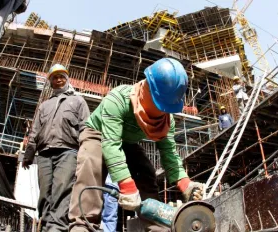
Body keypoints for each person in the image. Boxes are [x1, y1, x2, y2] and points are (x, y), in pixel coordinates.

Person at [68, 58, 204, 232]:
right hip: (98, 132)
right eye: (160, 105)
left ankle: (157, 227)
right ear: (147, 88)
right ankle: (82, 225)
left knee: (146, 173)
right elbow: (110, 144)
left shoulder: (166, 120)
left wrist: (186, 184)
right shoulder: (118, 99)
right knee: (91, 163)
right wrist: (126, 184)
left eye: (167, 108)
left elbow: (169, 154)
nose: (163, 112)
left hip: (126, 141)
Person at [22, 64, 90, 232]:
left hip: (68, 151)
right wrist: (28, 155)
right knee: (45, 193)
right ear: (50, 82)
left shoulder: (78, 101)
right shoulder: (45, 105)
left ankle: (57, 228)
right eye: (55, 77)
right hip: (44, 153)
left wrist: (86, 154)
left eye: (62, 77)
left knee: (62, 190)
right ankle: (45, 227)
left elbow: (86, 128)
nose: (58, 80)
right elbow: (35, 131)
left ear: (67, 79)